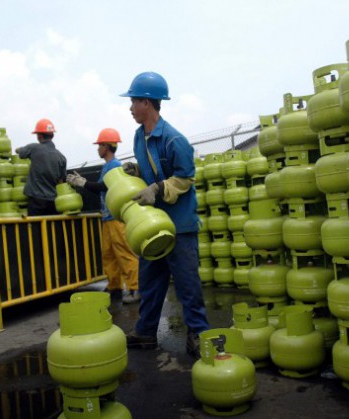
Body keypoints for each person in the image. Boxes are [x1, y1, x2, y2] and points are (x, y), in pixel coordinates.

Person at [119, 71, 210, 358]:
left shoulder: (174, 139)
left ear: (147, 102)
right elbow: (152, 171)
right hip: (153, 224)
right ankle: (146, 332)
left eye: (134, 101)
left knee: (187, 284)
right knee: (150, 281)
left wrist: (156, 189)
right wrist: (137, 171)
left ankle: (198, 334)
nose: (130, 107)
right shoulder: (139, 137)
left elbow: (184, 179)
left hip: (179, 225)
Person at [66, 128, 141, 304]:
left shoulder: (115, 166)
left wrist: (83, 183)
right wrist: (85, 183)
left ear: (106, 146)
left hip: (116, 218)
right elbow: (100, 187)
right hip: (107, 218)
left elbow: (104, 186)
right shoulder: (107, 166)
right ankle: (114, 287)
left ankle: (134, 288)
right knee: (109, 254)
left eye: (99, 146)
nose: (98, 149)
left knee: (124, 253)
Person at [15, 118, 67, 216]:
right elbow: (62, 181)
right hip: (54, 202)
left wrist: (19, 150)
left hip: (36, 200)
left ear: (39, 136)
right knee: (51, 225)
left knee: (36, 225)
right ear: (52, 135)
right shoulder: (61, 157)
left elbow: (20, 153)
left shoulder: (34, 148)